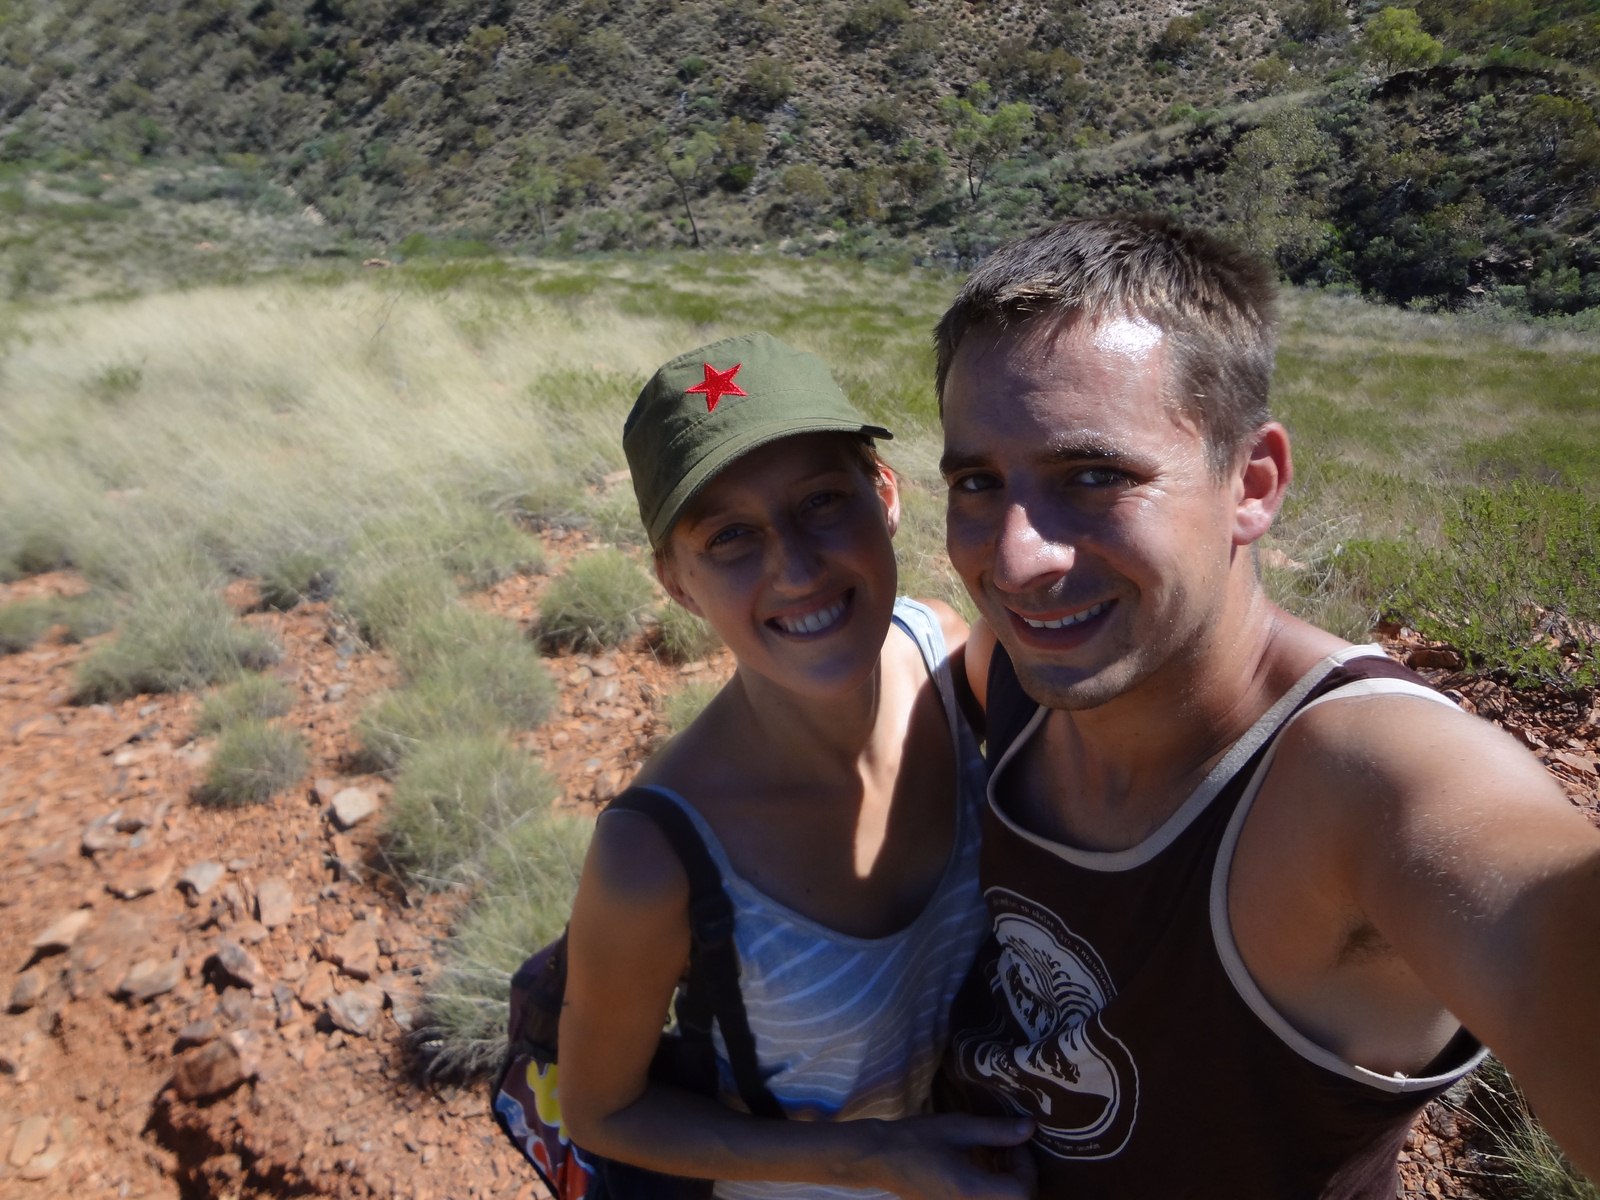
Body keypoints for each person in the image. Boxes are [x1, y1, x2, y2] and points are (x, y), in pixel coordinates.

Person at [931, 215, 1600, 1198]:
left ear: (1252, 483)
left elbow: (1533, 906)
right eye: (978, 483)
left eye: (1094, 475)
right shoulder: (1016, 672)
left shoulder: (1362, 778)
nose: (1017, 557)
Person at [558, 332, 1035, 1199]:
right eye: (730, 536)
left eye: (821, 501)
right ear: (676, 582)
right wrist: (873, 1157)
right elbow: (602, 1111)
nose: (797, 567)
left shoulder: (943, 657)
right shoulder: (654, 857)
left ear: (884, 495)